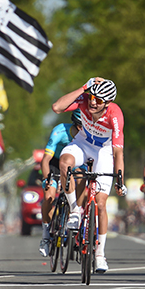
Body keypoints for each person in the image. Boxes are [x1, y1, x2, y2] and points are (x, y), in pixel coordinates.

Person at [52, 77, 127, 273]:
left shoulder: (115, 115)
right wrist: (85, 87)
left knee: (101, 203)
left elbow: (118, 152)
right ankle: (76, 210)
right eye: (92, 97)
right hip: (83, 143)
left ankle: (100, 254)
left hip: (104, 151)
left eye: (99, 100)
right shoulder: (84, 100)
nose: (93, 102)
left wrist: (120, 179)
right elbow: (57, 107)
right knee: (64, 162)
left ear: (108, 103)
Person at [38, 109, 83, 257]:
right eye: (80, 127)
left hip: (76, 163)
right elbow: (45, 160)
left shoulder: (87, 135)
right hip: (56, 163)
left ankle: (76, 215)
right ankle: (45, 236)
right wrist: (47, 179)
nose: (83, 131)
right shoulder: (60, 131)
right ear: (75, 125)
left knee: (83, 179)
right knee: (49, 196)